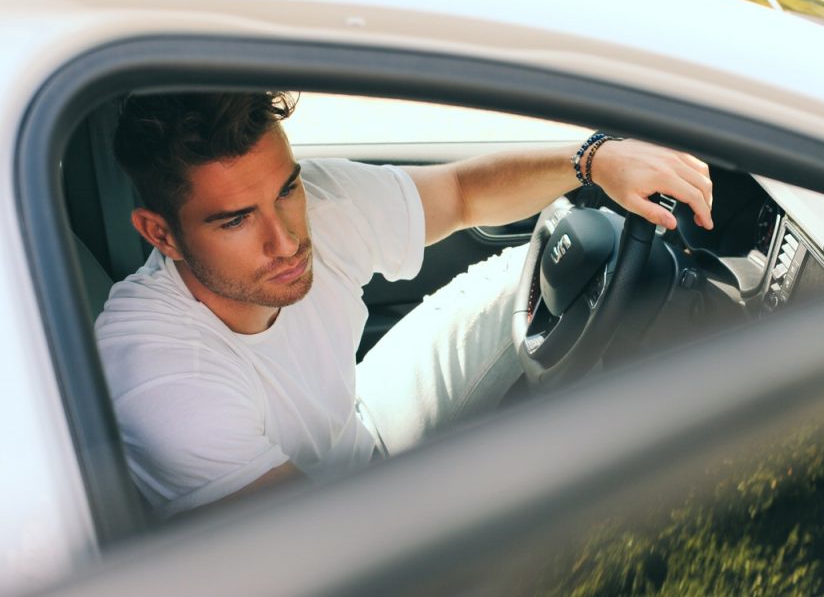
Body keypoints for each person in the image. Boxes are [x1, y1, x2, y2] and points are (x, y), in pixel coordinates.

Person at [95, 92, 714, 518]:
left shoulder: (323, 204)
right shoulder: (165, 383)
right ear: (161, 233)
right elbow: (326, 556)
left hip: (360, 427)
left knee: (529, 274)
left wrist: (594, 160)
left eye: (287, 189)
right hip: (315, 533)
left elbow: (462, 192)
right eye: (234, 221)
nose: (285, 240)